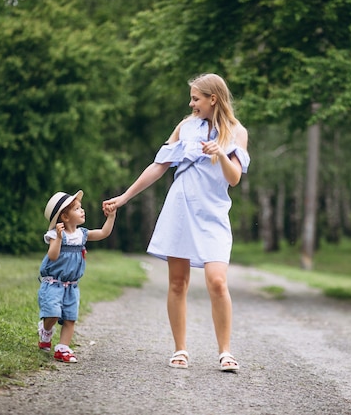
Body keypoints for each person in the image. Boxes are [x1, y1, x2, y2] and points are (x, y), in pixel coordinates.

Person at [103, 73, 250, 372]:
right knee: (177, 282)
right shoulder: (185, 127)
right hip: (180, 208)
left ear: (213, 99)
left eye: (196, 98)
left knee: (218, 281)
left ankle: (225, 352)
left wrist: (220, 152)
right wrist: (124, 197)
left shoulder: (237, 132)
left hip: (213, 214)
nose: (191, 103)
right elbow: (159, 166)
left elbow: (234, 179)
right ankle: (180, 350)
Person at [38, 190, 117, 363]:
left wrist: (111, 217)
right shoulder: (55, 235)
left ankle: (63, 348)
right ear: (65, 217)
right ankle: (45, 331)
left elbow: (103, 233)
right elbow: (52, 256)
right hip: (54, 283)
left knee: (70, 318)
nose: (82, 211)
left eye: (81, 208)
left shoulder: (82, 234)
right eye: (77, 209)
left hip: (72, 285)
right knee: (52, 314)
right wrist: (58, 238)